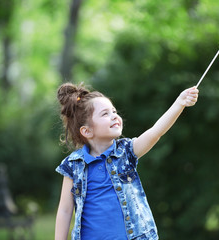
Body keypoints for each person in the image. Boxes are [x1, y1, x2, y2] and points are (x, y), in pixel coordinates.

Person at [55, 82, 199, 240]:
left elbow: (155, 132)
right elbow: (65, 210)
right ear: (87, 131)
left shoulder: (126, 151)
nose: (114, 116)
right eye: (105, 114)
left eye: (114, 111)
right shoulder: (73, 165)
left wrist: (180, 103)